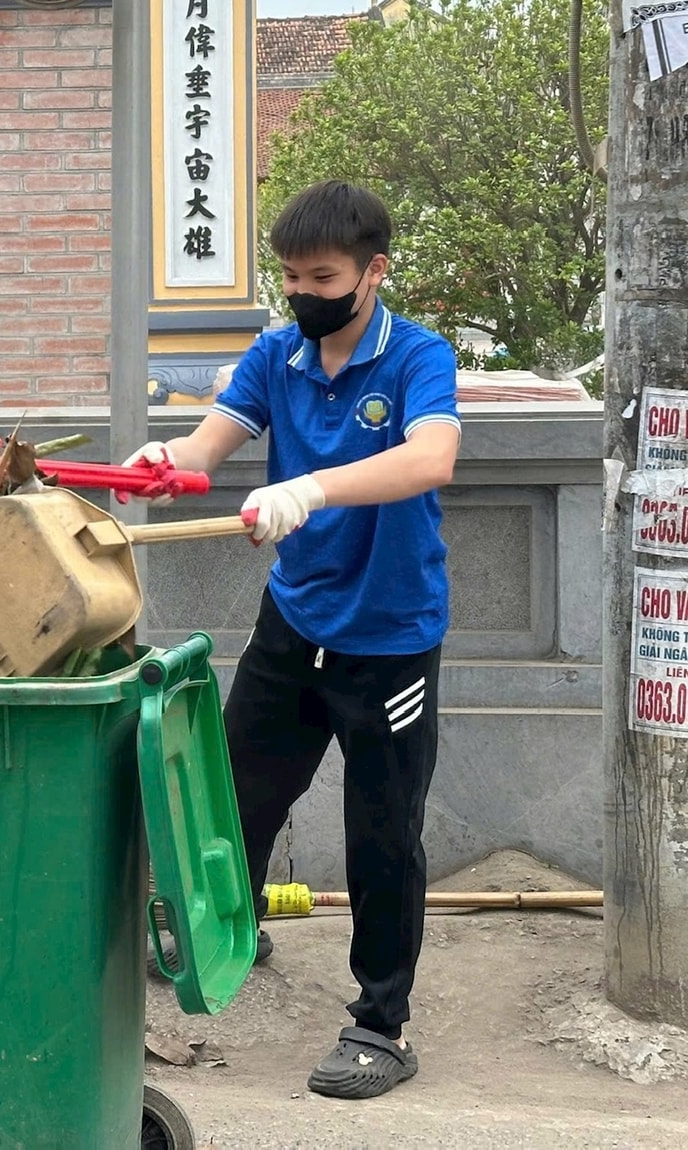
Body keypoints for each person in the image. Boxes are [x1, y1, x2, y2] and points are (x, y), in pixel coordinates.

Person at [125, 181, 461, 1100]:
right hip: (295, 621)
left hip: (389, 639)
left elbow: (432, 457)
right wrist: (172, 462)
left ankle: (380, 1023)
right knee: (234, 797)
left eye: (323, 276)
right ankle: (228, 928)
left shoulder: (418, 358)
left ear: (373, 272)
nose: (305, 292)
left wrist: (310, 489)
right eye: (291, 276)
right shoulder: (279, 353)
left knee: (382, 832)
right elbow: (212, 440)